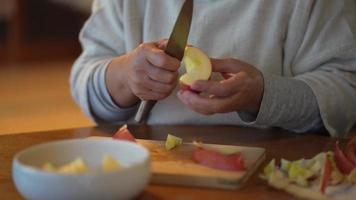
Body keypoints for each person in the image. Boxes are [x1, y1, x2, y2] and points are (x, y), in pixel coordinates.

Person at [70, 0, 356, 138]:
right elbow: (86, 81)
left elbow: (346, 95)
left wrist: (264, 96)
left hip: (272, 174)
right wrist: (123, 78)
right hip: (151, 167)